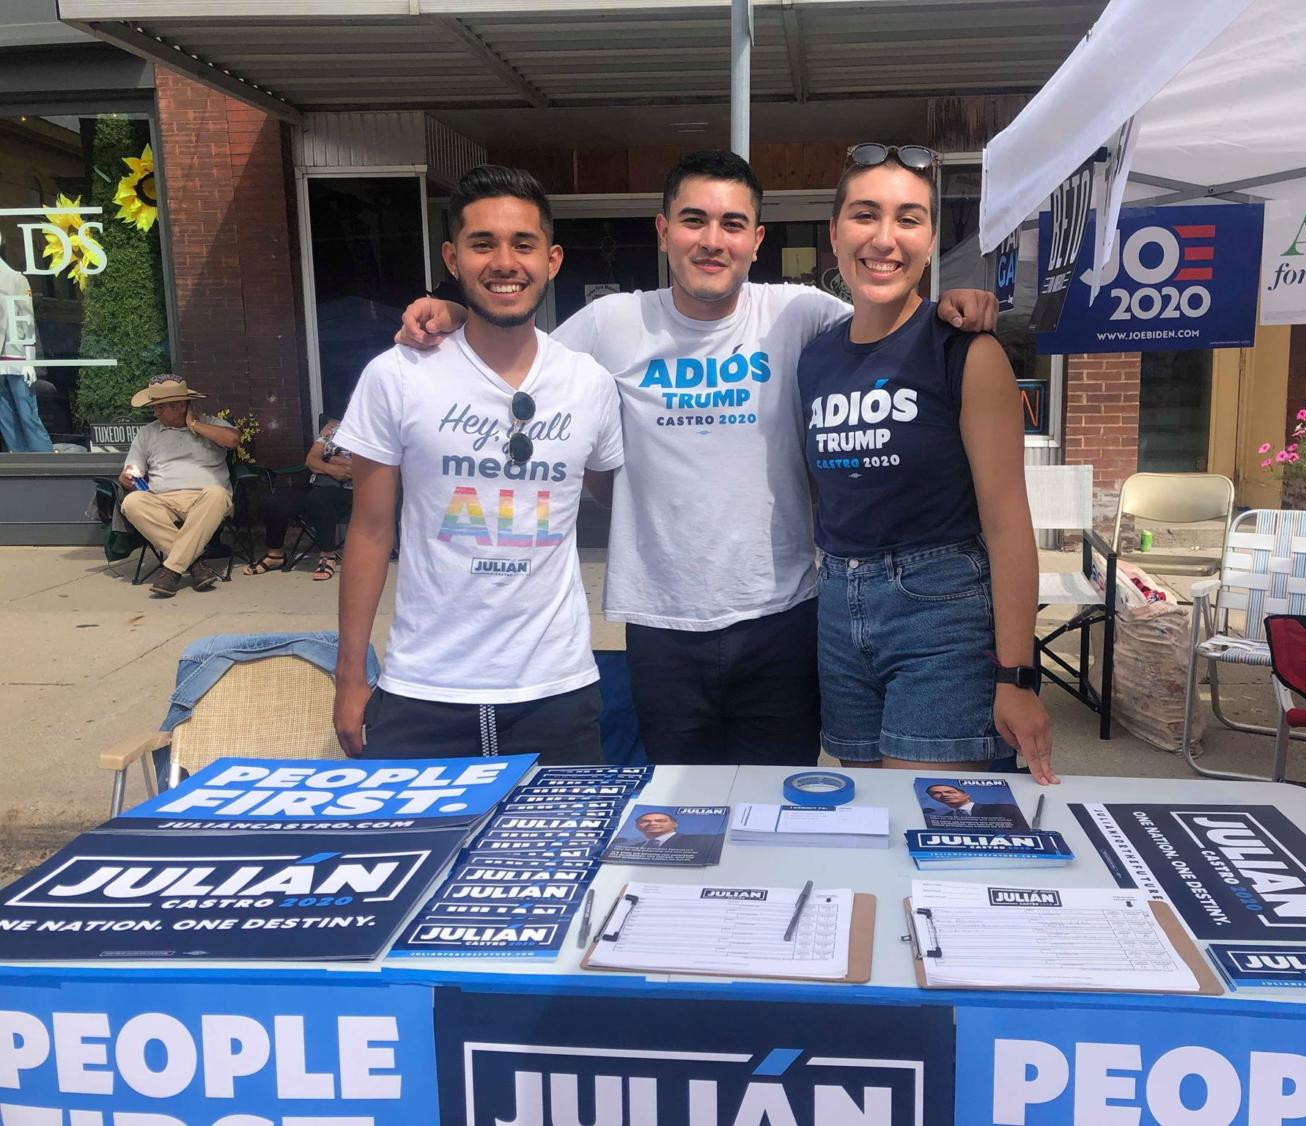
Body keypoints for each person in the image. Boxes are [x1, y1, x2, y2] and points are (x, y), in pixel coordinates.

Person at [396, 150, 998, 769]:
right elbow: (520, 359)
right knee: (681, 821)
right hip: (661, 627)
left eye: (733, 224)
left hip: (781, 618)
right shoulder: (611, 323)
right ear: (662, 231)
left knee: (776, 813)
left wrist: (955, 302)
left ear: (757, 239)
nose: (713, 241)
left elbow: (893, 316)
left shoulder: (799, 314)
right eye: (692, 221)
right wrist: (459, 312)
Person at [333, 165, 624, 763]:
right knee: (421, 857)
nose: (504, 261)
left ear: (553, 259)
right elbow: (369, 529)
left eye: (524, 243)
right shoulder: (397, 375)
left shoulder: (588, 383)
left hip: (556, 691)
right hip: (423, 690)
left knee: (556, 858)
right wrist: (350, 678)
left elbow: (615, 495)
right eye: (482, 243)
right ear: (452, 257)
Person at [799, 144, 1055, 783]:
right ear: (835, 234)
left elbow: (1008, 525)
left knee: (930, 817)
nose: (885, 239)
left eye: (909, 219)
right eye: (865, 216)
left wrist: (1017, 674)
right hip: (837, 606)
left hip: (940, 611)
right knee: (865, 815)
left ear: (931, 238)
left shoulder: (966, 351)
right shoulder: (815, 358)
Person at [118, 375, 242, 598]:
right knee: (132, 502)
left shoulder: (210, 423)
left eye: (160, 407)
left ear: (181, 406)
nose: (155, 413)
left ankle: (172, 570)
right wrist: (126, 477)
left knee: (217, 494)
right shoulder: (148, 433)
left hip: (204, 499)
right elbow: (132, 468)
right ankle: (193, 564)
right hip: (162, 499)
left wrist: (194, 425)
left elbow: (233, 440)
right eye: (155, 407)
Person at [243, 418, 353, 581]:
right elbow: (311, 460)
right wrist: (331, 465)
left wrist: (327, 459)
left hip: (349, 491)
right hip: (317, 485)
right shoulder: (333, 430)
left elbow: (357, 467)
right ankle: (275, 556)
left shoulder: (372, 433)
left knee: (319, 498)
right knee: (274, 500)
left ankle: (328, 555)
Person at [0, 256, 53, 453]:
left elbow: (27, 320)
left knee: (27, 416)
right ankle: (20, 462)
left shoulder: (16, 279)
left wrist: (30, 361)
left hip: (16, 357)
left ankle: (47, 463)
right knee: (5, 419)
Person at [617, 810, 719, 855]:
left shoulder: (705, 841)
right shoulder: (632, 848)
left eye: (660, 821)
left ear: (674, 824)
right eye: (645, 821)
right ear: (637, 826)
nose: (652, 823)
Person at [925, 783, 1010, 818]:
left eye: (950, 792)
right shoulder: (942, 818)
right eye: (936, 793)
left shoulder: (1004, 809)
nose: (944, 795)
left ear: (966, 795)